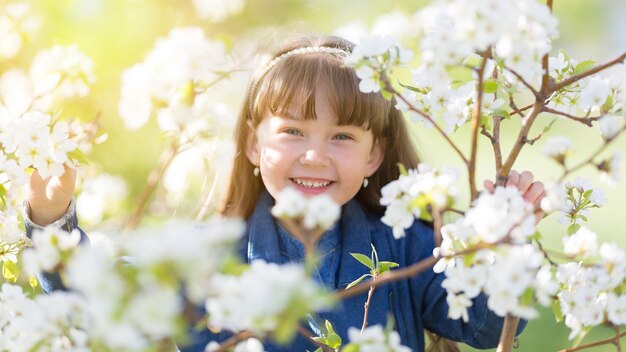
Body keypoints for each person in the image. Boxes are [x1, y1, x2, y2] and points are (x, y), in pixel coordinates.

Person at [25, 35, 545, 351]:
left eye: (342, 136)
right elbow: (104, 303)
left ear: (374, 157)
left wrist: (502, 248)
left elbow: (482, 327)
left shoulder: (406, 247)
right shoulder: (208, 257)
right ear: (253, 145)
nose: (315, 155)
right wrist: (52, 223)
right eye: (293, 132)